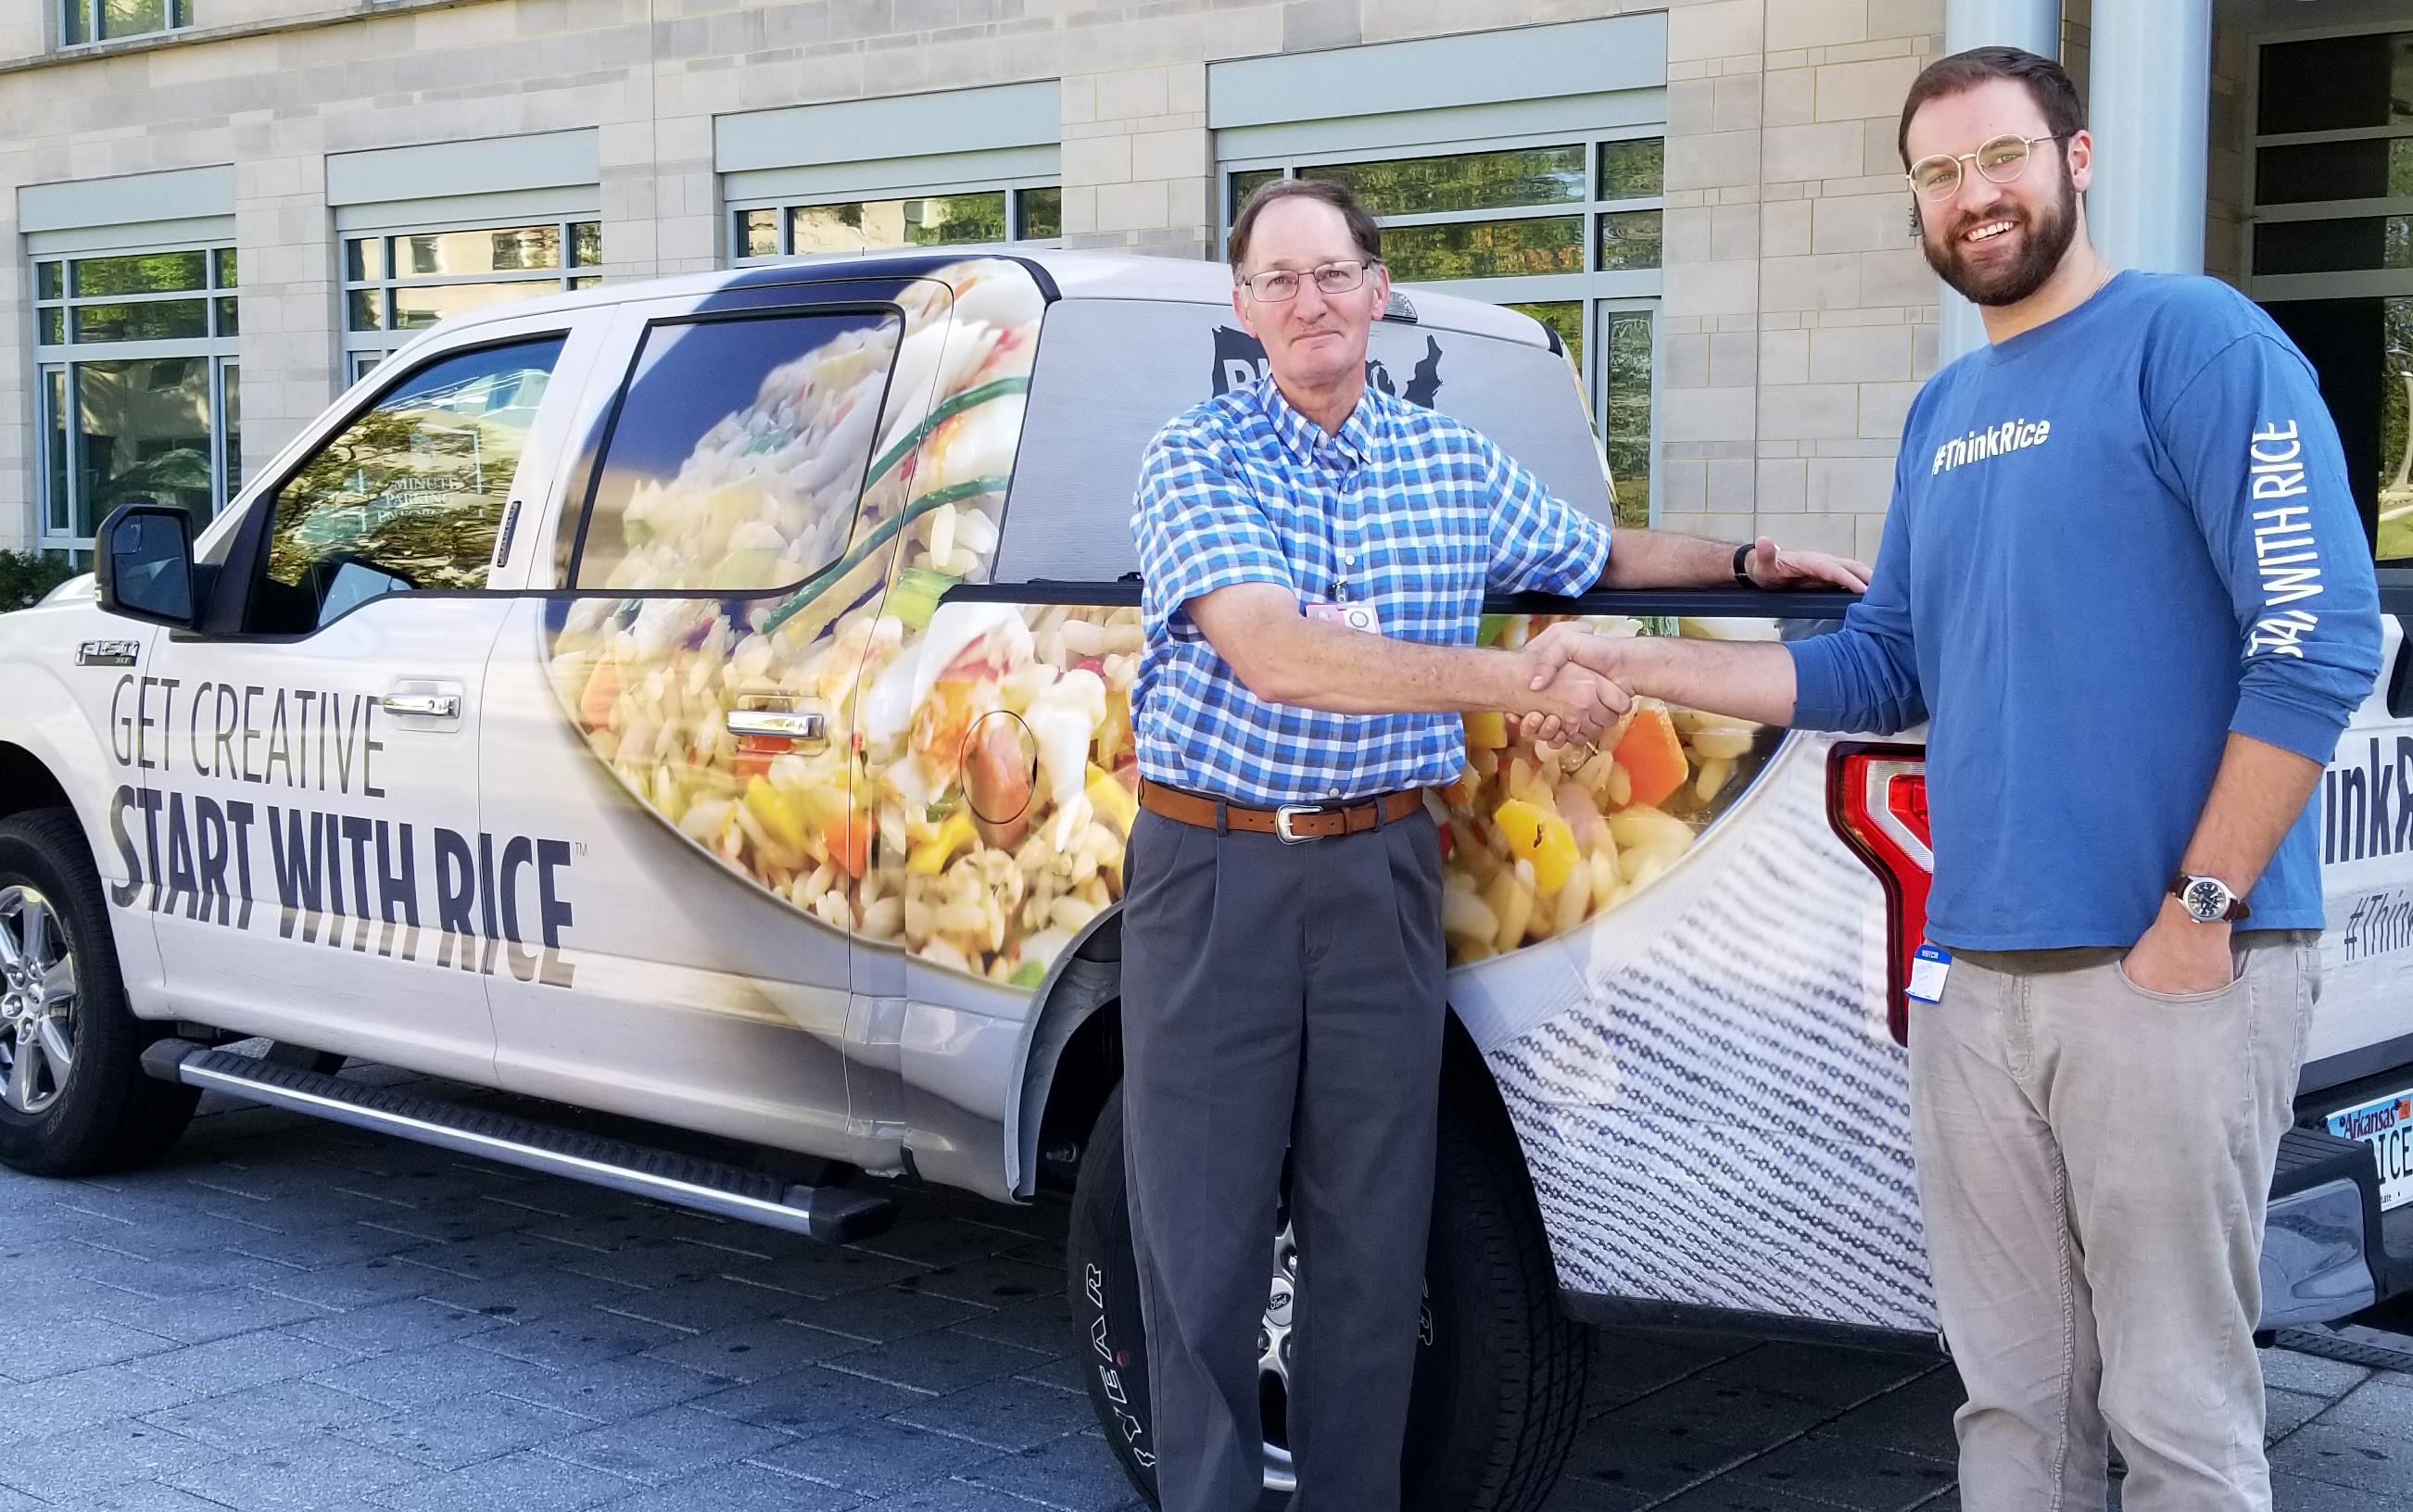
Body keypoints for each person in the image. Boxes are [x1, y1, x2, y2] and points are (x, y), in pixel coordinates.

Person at [1528, 46, 2382, 1512]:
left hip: (2169, 972)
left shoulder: (2196, 343)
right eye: (1939, 174)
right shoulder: (1945, 412)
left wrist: (2194, 916)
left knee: (2178, 1415)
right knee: (2012, 1408)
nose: (1974, 197)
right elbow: (1880, 668)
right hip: (1979, 979)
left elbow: (2317, 641)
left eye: (2001, 158)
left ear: (2080, 160)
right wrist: (1636, 665)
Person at [1121, 175, 1870, 1512]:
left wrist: (1748, 563)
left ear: (1378, 291)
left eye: (1335, 273)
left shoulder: (1447, 460)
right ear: (1242, 308)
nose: (1311, 302)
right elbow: (1276, 654)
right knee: (1205, 1249)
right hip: (1217, 876)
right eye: (1279, 280)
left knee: (1373, 1234)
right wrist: (1522, 685)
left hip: (1383, 875)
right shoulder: (1195, 456)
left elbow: (1597, 557)